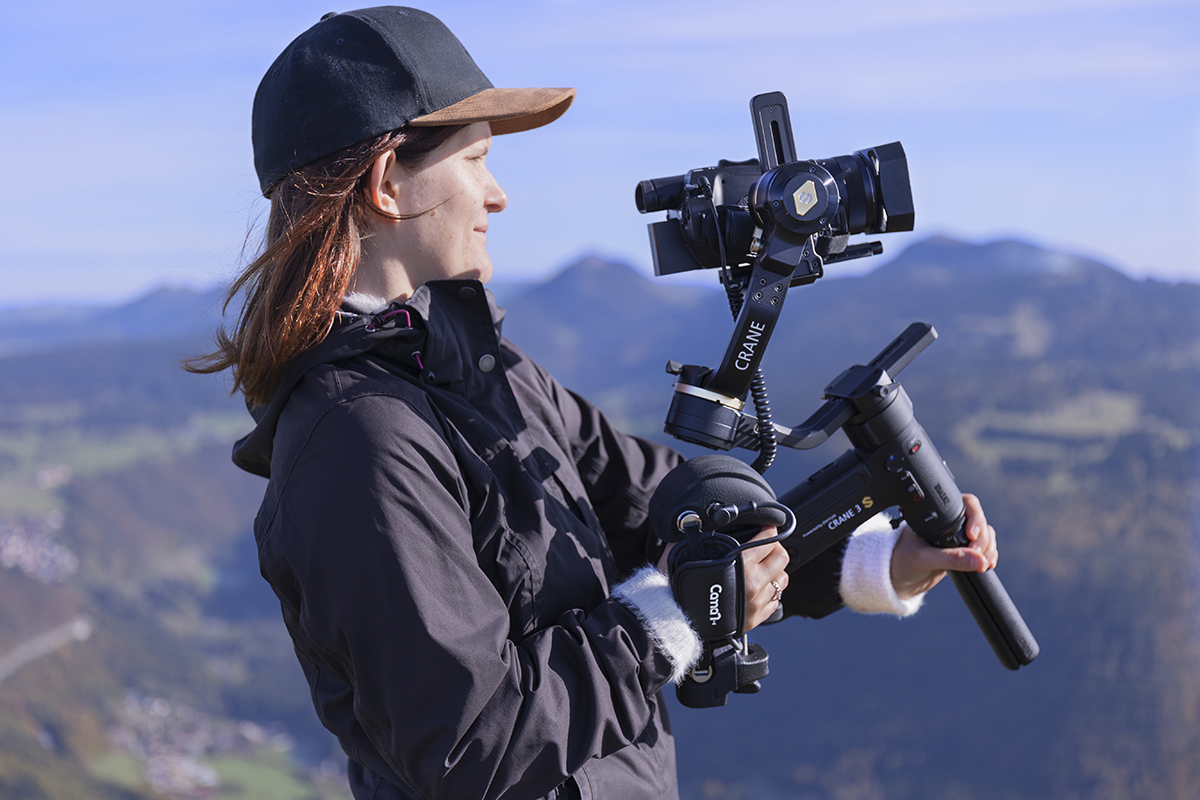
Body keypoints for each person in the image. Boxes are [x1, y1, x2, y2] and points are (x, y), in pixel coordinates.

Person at [188, 8, 998, 800]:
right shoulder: (357, 443)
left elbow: (670, 516)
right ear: (386, 184)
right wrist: (666, 621)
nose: (498, 195)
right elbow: (469, 745)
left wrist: (873, 562)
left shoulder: (486, 369)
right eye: (475, 160)